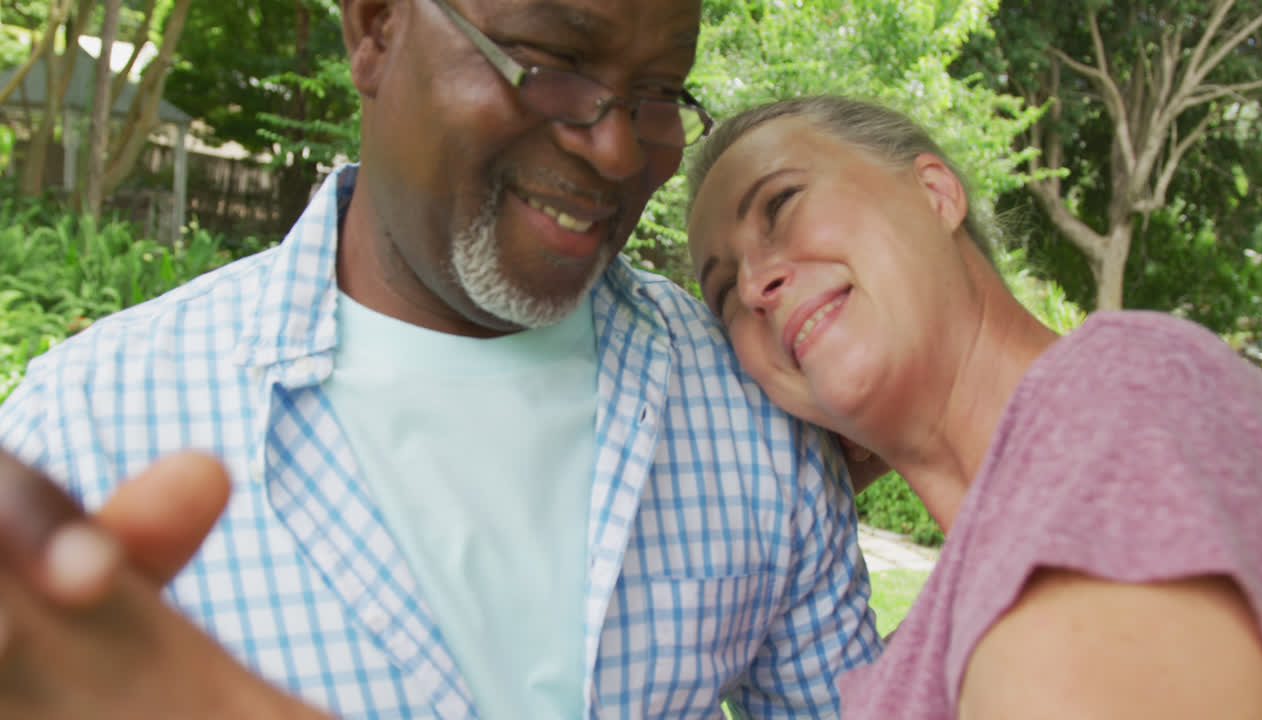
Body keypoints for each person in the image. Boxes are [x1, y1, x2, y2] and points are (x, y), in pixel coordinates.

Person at [0, 3, 887, 718]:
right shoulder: (91, 426)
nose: (617, 149)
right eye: (549, 63)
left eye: (658, 90)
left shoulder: (752, 410)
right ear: (376, 29)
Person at [683, 94, 1262, 719]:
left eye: (782, 203)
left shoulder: (1128, 391)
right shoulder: (906, 663)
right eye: (723, 292)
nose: (753, 285)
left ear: (935, 194)